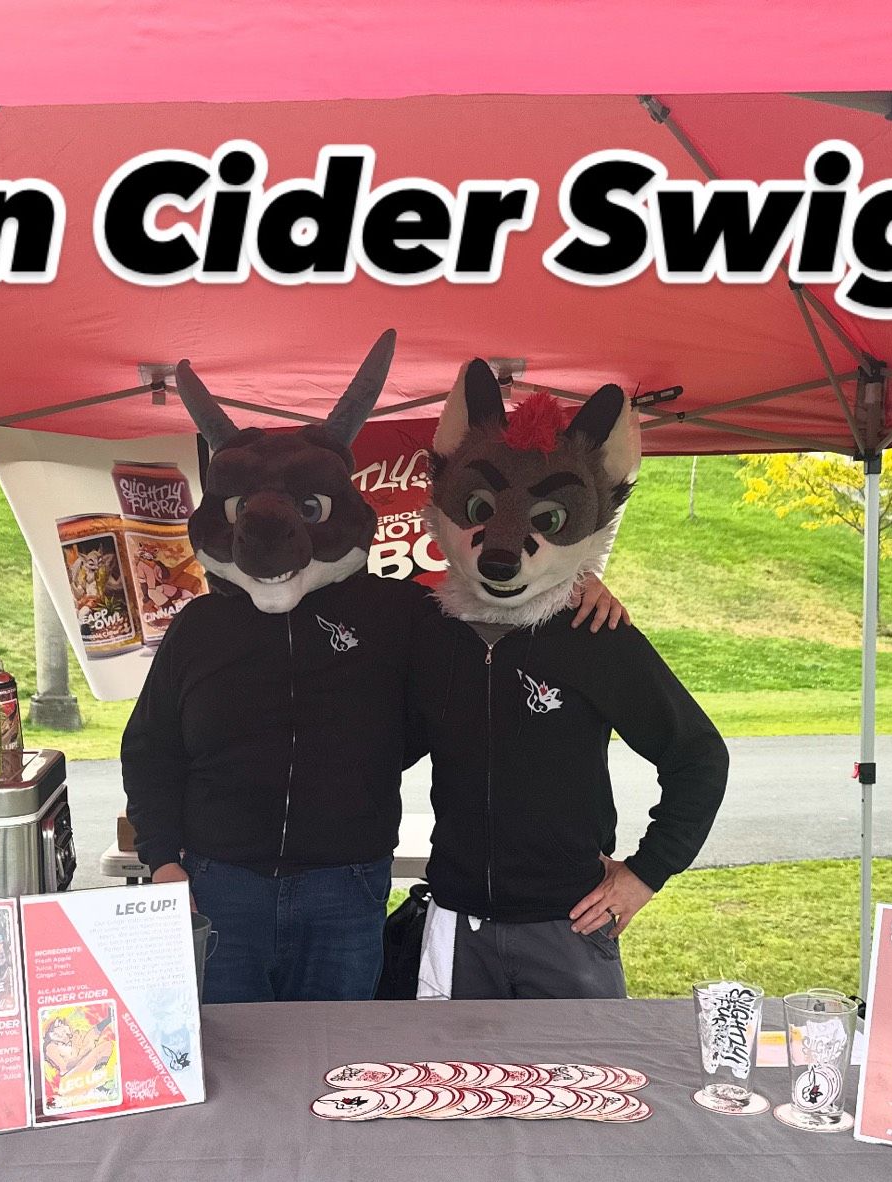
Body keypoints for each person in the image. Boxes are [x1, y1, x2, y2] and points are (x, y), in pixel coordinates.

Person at [121, 331, 625, 1003]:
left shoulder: (398, 612)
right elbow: (149, 748)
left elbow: (497, 610)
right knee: (224, 1064)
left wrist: (573, 588)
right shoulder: (199, 627)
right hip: (218, 886)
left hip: (344, 886)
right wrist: (161, 861)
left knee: (337, 1070)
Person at [410, 361, 729, 999]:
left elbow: (698, 755)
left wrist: (645, 874)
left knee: (586, 1093)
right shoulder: (427, 631)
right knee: (452, 1092)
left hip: (567, 924)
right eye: (479, 509)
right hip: (457, 919)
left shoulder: (592, 634)